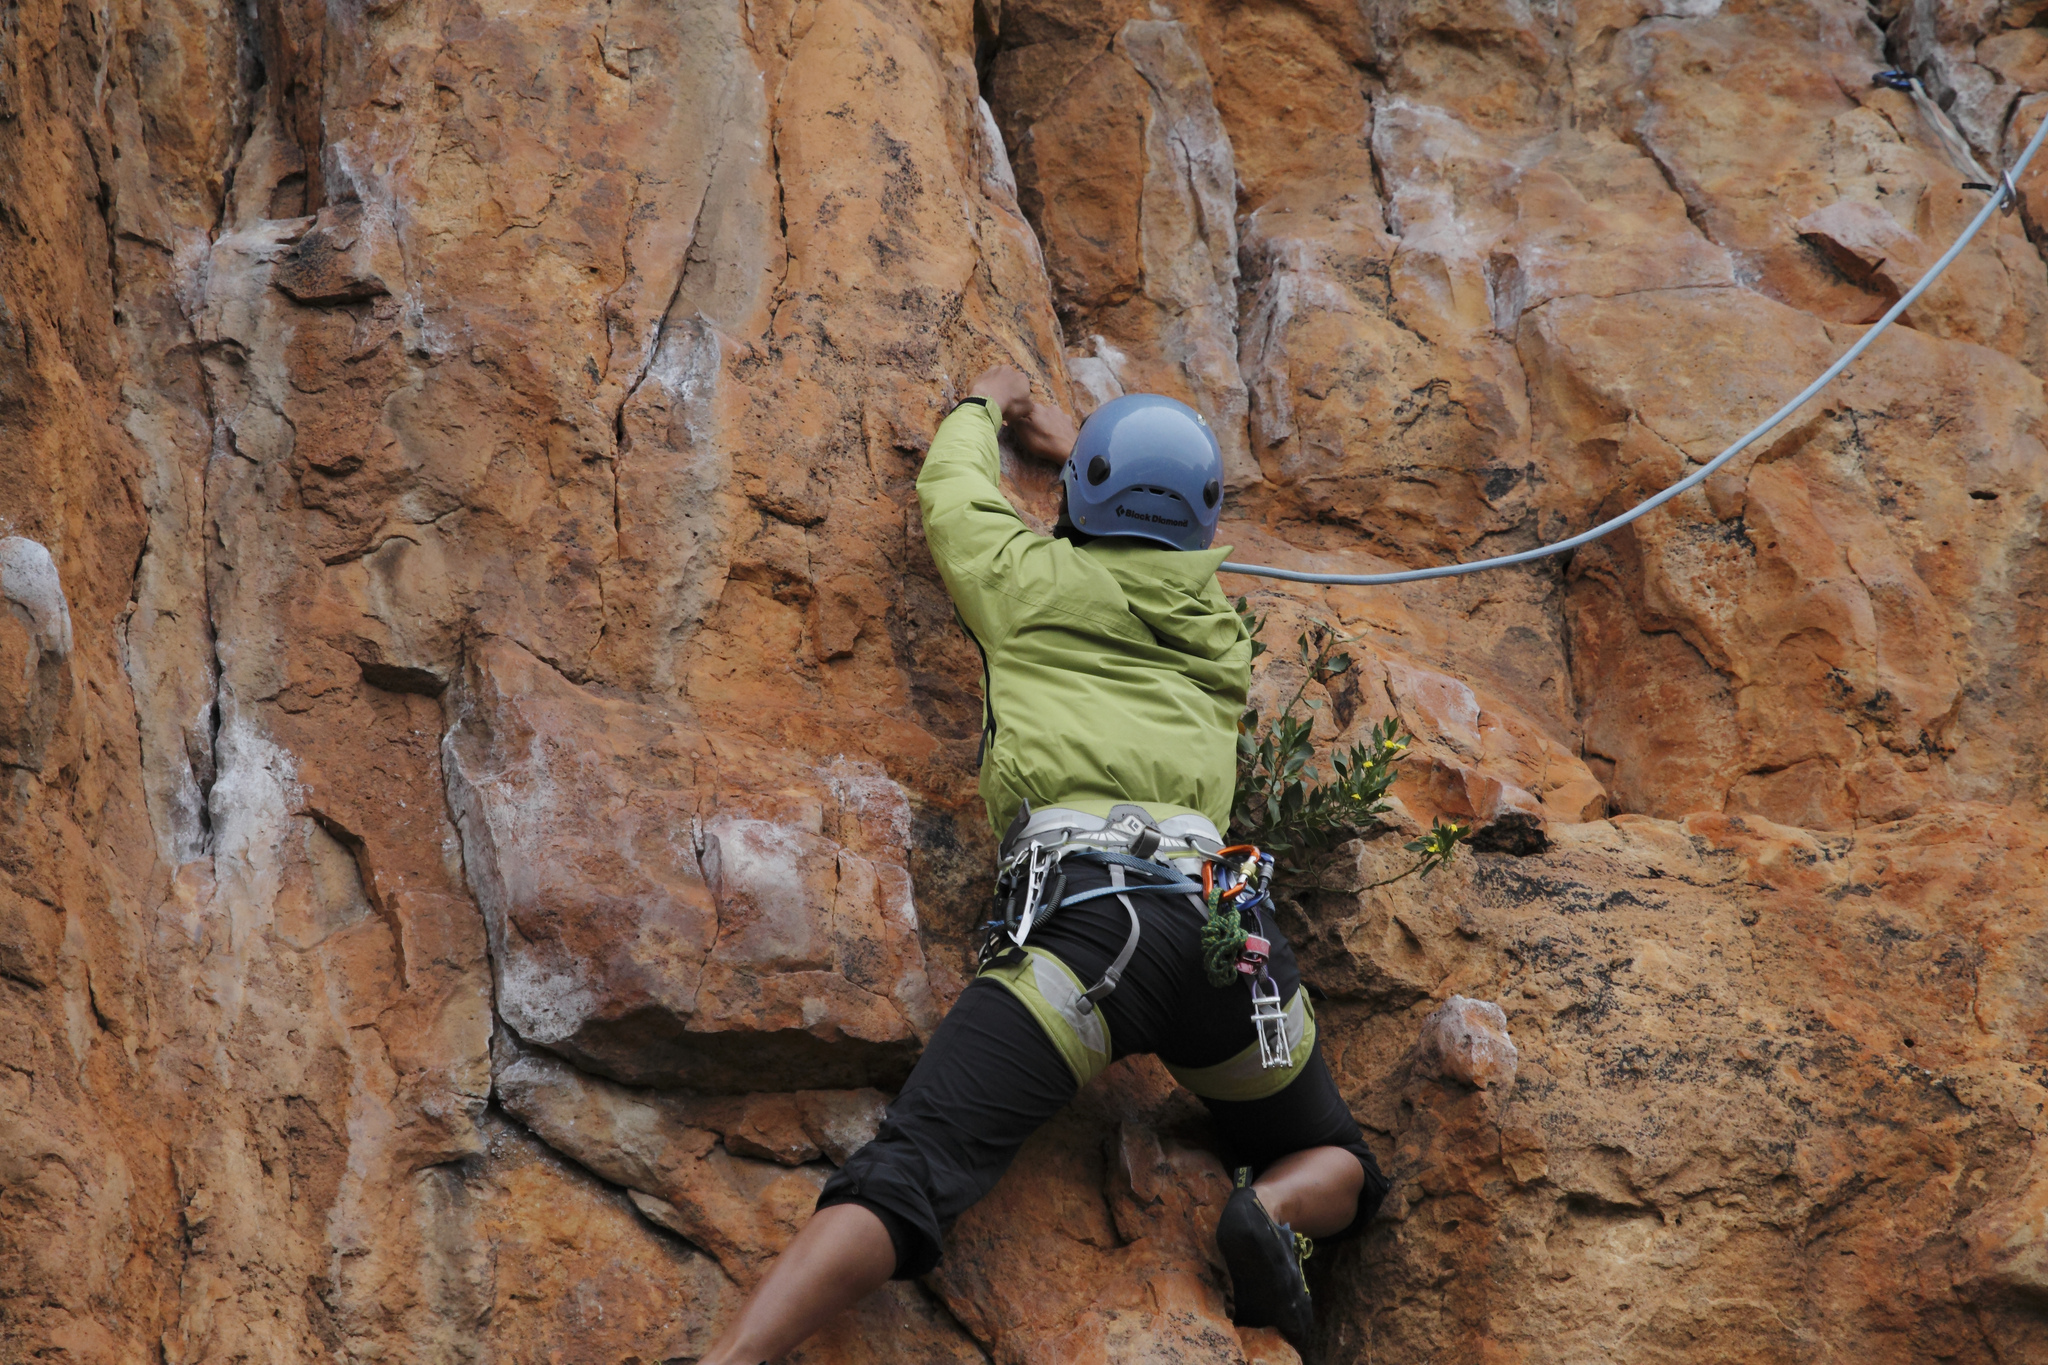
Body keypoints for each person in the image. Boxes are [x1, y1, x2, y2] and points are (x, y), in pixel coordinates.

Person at [696, 365, 1389, 1363]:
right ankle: (1273, 1205)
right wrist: (1086, 457)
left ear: (1077, 502)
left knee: (915, 1168)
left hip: (1094, 931)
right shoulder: (1215, 632)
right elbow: (1163, 541)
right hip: (1227, 935)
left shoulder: (1022, 583)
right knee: (1340, 1161)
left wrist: (991, 406)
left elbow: (953, 490)